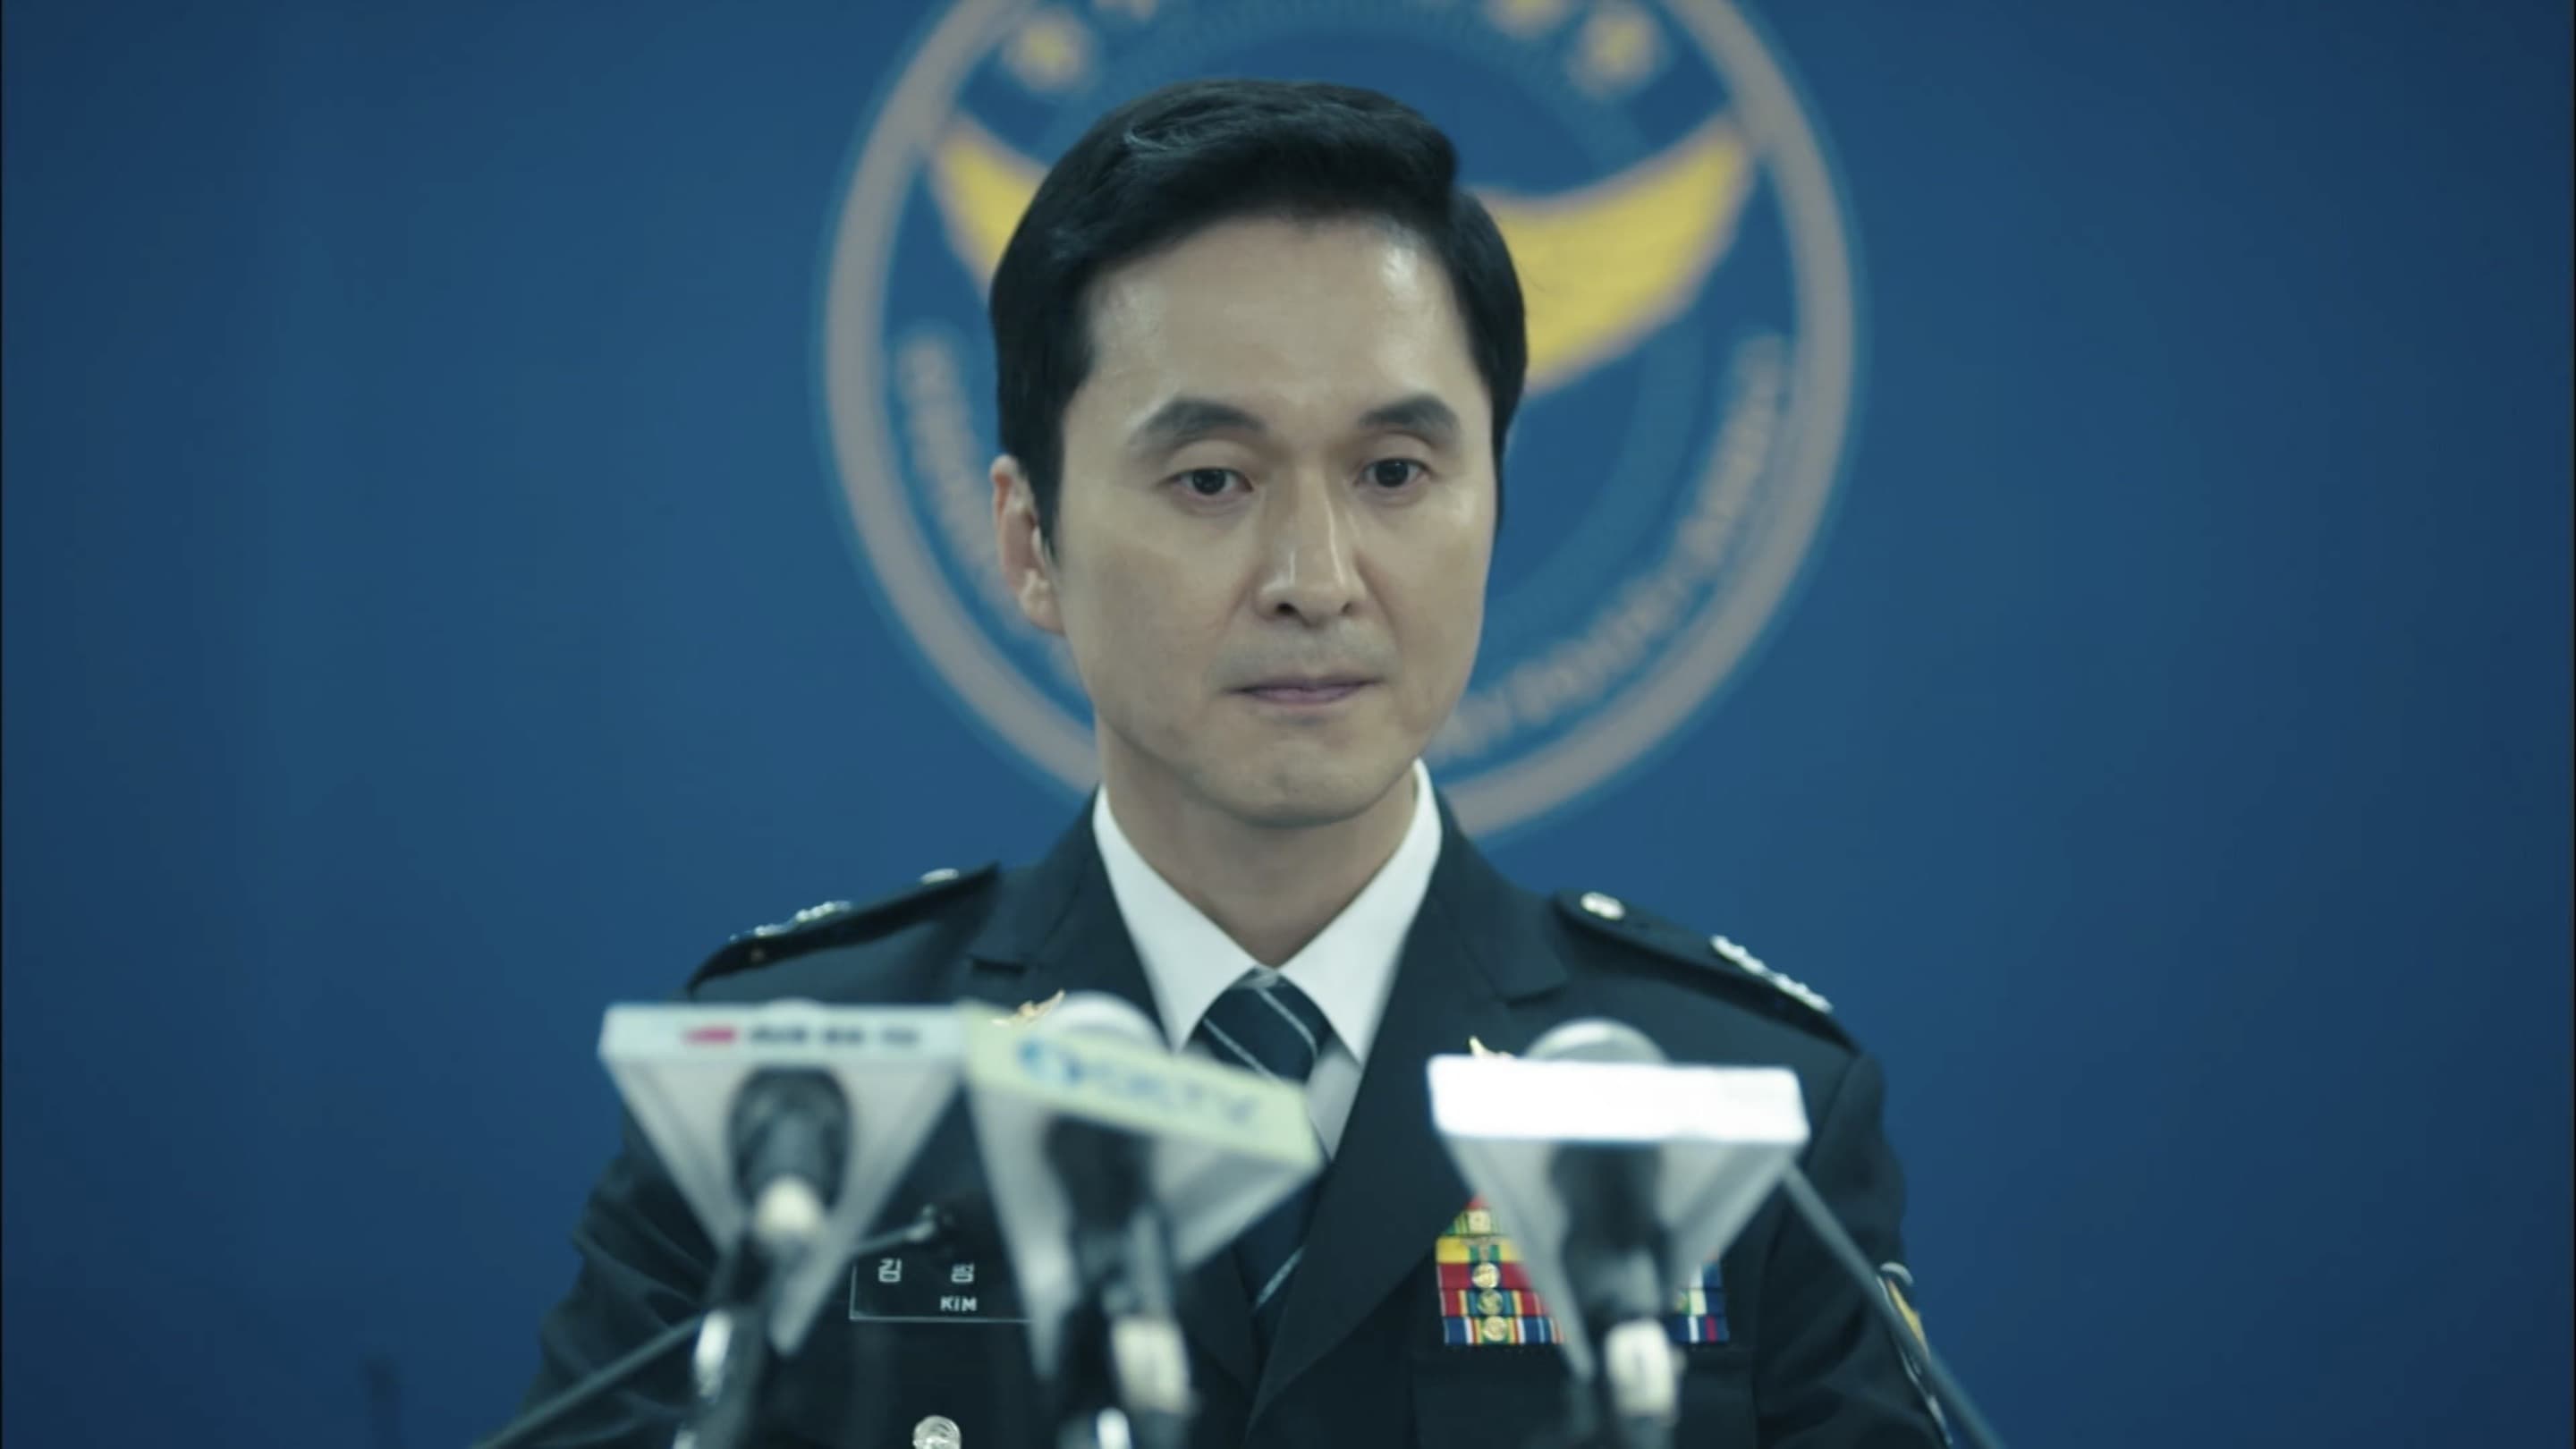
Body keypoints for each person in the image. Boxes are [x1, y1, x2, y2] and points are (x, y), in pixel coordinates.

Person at [518, 79, 1946, 1449]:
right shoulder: (793, 1112)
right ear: (1030, 543)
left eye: (1394, 474)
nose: (1315, 580)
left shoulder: (1738, 1109)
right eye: (1212, 479)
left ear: (1496, 503)